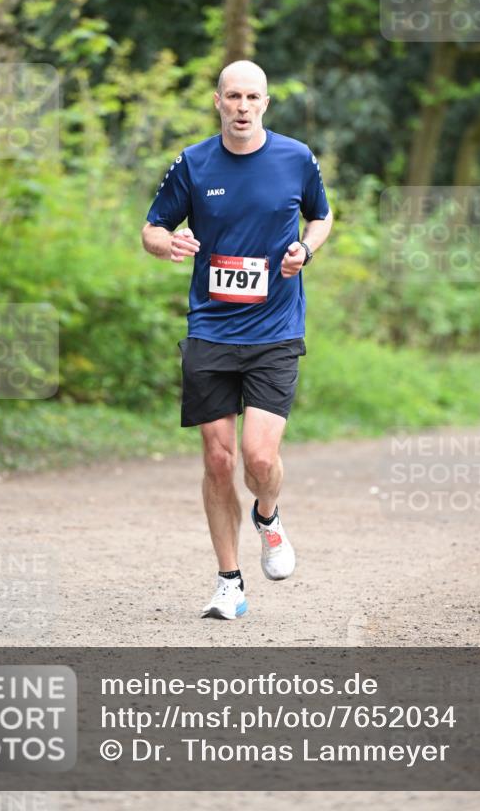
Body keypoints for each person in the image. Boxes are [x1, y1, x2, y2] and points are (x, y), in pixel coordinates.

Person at [141, 60, 333, 619]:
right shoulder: (194, 162)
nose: (243, 106)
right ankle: (229, 581)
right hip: (210, 329)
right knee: (219, 460)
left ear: (266, 103)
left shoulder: (296, 158)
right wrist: (166, 244)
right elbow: (151, 226)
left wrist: (306, 249)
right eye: (233, 96)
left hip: (274, 330)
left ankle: (268, 515)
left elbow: (321, 217)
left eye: (253, 97)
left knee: (258, 457)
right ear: (218, 102)